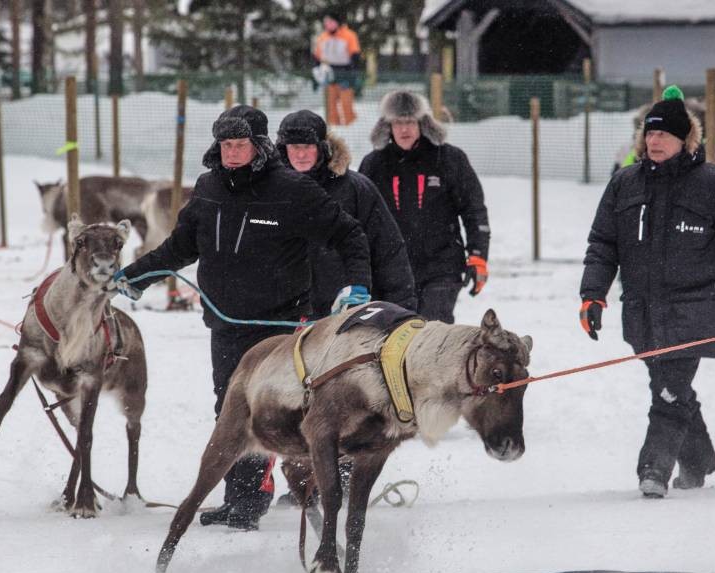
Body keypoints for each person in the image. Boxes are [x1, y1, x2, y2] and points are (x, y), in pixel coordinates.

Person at [111, 105, 373, 530]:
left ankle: (283, 493)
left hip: (281, 327)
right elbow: (180, 246)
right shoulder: (209, 187)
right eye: (226, 144)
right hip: (226, 323)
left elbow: (349, 234)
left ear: (260, 146)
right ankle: (241, 500)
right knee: (229, 411)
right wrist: (138, 276)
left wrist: (357, 284)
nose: (232, 152)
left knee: (272, 413)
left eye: (240, 144)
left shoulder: (290, 189)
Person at [581, 85, 715, 498]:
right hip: (641, 310)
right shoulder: (624, 184)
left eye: (665, 135)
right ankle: (699, 458)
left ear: (685, 139)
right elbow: (603, 244)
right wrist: (593, 295)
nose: (655, 141)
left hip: (694, 309)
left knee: (670, 388)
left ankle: (654, 470)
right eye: (650, 134)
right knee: (668, 386)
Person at [358, 90, 490, 323]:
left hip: (442, 266)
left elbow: (473, 210)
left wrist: (478, 256)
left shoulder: (449, 159)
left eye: (410, 122)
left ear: (422, 123)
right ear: (387, 126)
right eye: (397, 123)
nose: (404, 129)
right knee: (396, 335)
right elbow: (359, 220)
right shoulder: (373, 165)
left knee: (432, 332)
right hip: (390, 269)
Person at [276, 109, 416, 314]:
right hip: (288, 315)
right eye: (295, 147)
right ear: (283, 149)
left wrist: (402, 306)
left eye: (308, 146)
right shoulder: (270, 192)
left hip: (349, 313)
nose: (301, 154)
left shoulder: (356, 188)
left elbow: (388, 249)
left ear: (322, 148)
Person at [313, 13, 362, 126]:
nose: (328, 25)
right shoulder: (323, 37)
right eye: (326, 23)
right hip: (329, 72)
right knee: (330, 103)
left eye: (331, 22)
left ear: (337, 23)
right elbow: (317, 56)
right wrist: (317, 68)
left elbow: (355, 55)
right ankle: (334, 125)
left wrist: (352, 72)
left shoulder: (349, 35)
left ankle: (351, 125)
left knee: (346, 102)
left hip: (345, 72)